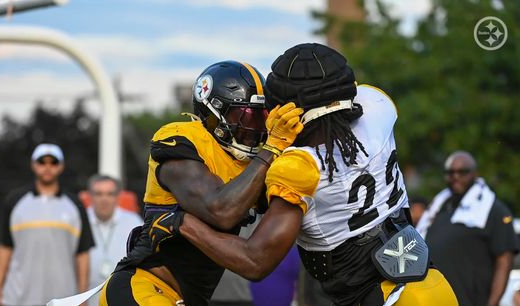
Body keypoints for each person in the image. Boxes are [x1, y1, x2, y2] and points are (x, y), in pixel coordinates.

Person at [161, 43, 458, 306]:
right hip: (432, 282)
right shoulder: (377, 106)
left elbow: (255, 261)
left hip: (381, 297)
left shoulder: (298, 166)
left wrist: (182, 223)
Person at [99, 60, 304, 306]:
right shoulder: (184, 139)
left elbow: (255, 261)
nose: (253, 128)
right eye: (245, 116)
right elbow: (221, 210)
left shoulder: (254, 164)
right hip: (146, 285)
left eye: (261, 118)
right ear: (213, 112)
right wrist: (271, 149)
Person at [0, 143, 94, 306]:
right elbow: (4, 248)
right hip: (18, 298)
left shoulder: (75, 204)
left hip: (63, 298)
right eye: (42, 162)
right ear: (33, 165)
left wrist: (82, 297)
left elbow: (82, 254)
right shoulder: (14, 201)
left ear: (61, 167)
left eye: (53, 163)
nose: (47, 167)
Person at [417, 151, 518, 306]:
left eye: (462, 172)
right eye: (450, 172)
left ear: (475, 173)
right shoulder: (439, 206)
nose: (455, 176)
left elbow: (504, 259)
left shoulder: (492, 209)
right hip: (435, 298)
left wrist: (492, 303)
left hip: (471, 301)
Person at [86, 175, 143, 306]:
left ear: (118, 197)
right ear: (90, 196)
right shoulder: (79, 220)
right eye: (98, 194)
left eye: (110, 194)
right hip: (85, 298)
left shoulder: (134, 222)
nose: (104, 199)